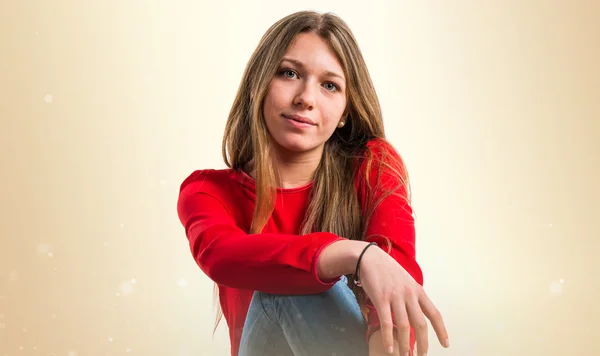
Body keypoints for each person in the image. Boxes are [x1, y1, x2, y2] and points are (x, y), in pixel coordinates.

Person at [176, 10, 449, 356]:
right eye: (289, 73)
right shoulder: (207, 192)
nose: (306, 98)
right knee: (281, 283)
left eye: (329, 85)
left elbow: (395, 305)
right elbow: (221, 255)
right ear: (259, 85)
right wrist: (356, 253)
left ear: (345, 112)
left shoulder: (372, 167)